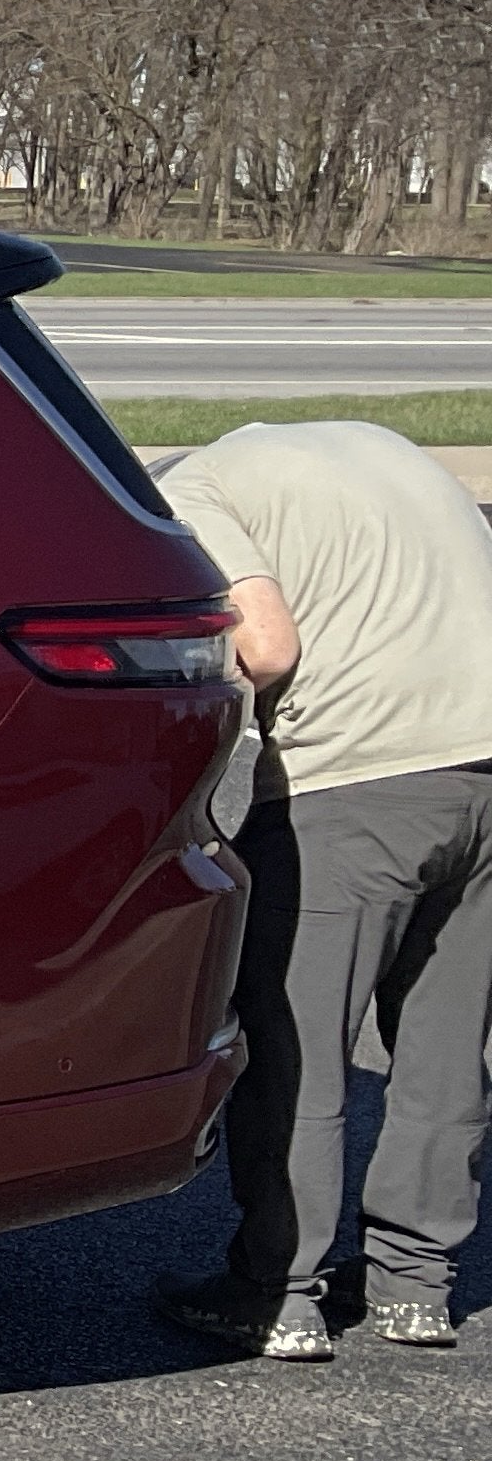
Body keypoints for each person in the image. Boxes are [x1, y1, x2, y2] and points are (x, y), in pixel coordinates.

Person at [155, 421, 492, 1359]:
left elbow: (266, 646)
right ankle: (416, 1284)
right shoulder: (390, 449)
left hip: (356, 780)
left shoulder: (193, 490)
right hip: (486, 763)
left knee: (299, 1044)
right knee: (445, 1046)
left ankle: (277, 1292)